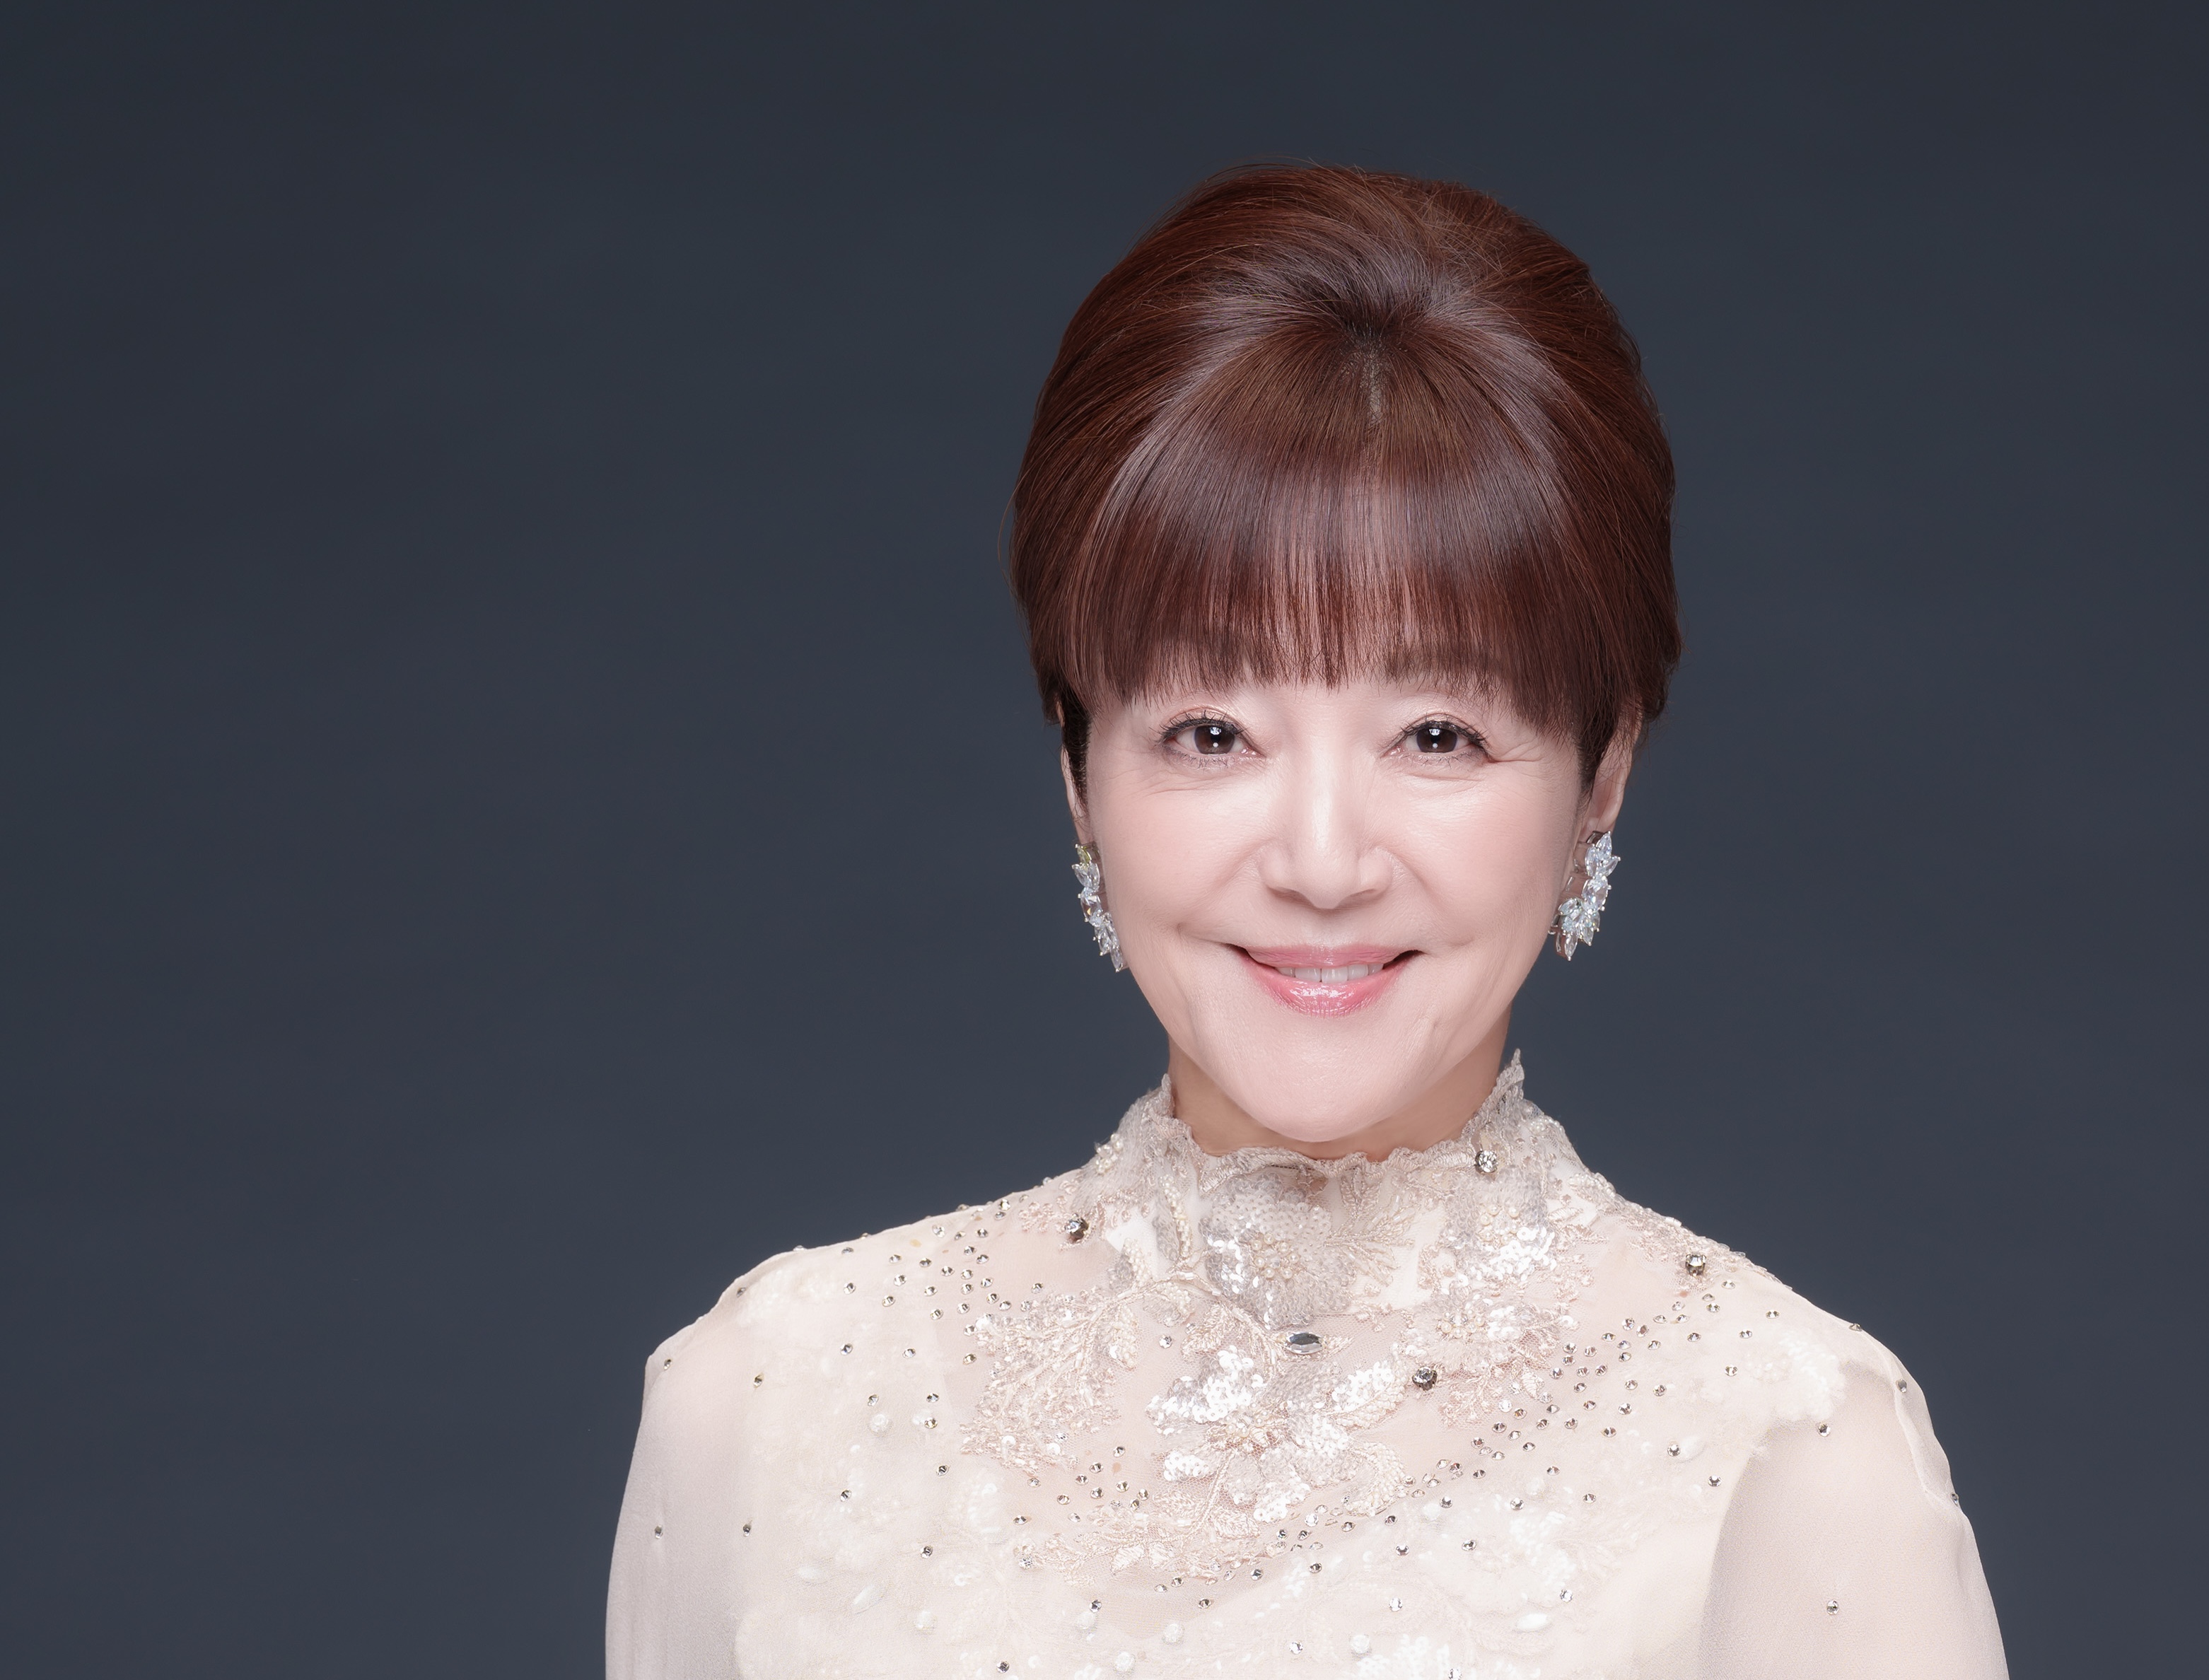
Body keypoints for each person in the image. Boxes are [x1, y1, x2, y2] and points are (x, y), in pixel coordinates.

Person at [607, 164, 2007, 1679]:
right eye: (1212, 733)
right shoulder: (766, 1401)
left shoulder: (1789, 1455)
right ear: (1077, 767)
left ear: (1601, 774)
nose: (1324, 863)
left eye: (1437, 734)